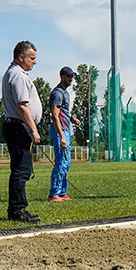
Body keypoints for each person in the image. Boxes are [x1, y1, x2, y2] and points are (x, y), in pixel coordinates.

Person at [1, 41, 42, 223]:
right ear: (21, 57)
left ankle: (16, 208)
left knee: (20, 169)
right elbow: (23, 105)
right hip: (18, 127)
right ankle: (18, 210)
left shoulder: (16, 74)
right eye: (32, 58)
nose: (34, 62)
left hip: (17, 126)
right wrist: (33, 130)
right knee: (21, 170)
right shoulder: (17, 76)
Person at [48, 66, 81, 202]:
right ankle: (54, 194)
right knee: (61, 162)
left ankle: (62, 193)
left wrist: (72, 118)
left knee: (66, 164)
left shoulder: (66, 93)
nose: (71, 79)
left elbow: (63, 112)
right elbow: (55, 116)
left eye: (72, 76)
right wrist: (61, 135)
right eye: (69, 76)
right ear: (62, 77)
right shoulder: (57, 93)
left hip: (66, 130)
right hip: (59, 131)